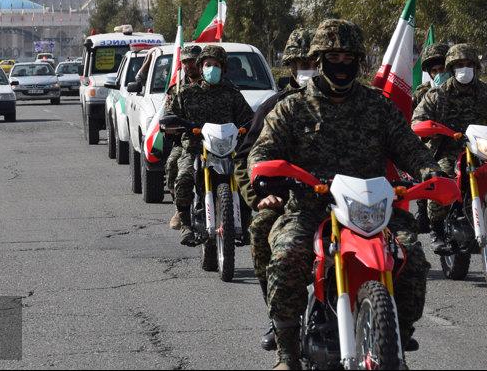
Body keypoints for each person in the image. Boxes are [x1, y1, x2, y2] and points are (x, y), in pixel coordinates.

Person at [249, 19, 439, 369]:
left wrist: (433, 173)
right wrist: (267, 178)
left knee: (411, 255)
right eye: (333, 56)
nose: (341, 64)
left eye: (349, 57)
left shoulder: (378, 106)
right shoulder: (292, 107)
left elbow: (410, 148)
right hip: (311, 207)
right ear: (319, 60)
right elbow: (262, 152)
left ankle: (395, 338)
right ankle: (286, 351)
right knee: (287, 255)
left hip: (373, 207)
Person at [233, 27, 315, 352]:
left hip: (345, 200)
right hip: (287, 200)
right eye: (304, 64)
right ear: (292, 66)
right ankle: (280, 318)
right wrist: (259, 197)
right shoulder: (275, 107)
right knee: (260, 230)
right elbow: (244, 158)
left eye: (316, 63)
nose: (310, 70)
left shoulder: (352, 103)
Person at [412, 43, 487, 251]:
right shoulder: (437, 94)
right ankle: (437, 230)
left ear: (475, 67)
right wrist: (428, 127)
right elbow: (418, 119)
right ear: (451, 68)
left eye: (468, 64)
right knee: (442, 180)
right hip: (450, 149)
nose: (464, 69)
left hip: (485, 148)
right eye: (459, 65)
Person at [168, 44, 254, 246]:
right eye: (208, 64)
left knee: (247, 179)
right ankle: (186, 224)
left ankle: (245, 223)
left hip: (228, 150)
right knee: (183, 178)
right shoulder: (186, 93)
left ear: (223, 68)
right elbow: (171, 116)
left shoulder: (232, 93)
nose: (212, 69)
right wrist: (174, 125)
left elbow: (248, 118)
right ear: (201, 67)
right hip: (195, 149)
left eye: (216, 65)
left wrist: (249, 126)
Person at [164, 44, 202, 230]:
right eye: (185, 62)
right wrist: (173, 127)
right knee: (172, 165)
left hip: (215, 140)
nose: (189, 65)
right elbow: (167, 116)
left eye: (193, 61)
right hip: (185, 140)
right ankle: (180, 208)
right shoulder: (176, 89)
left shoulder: (215, 87)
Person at [412, 42, 450, 108]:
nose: (438, 73)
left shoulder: (461, 87)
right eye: (434, 71)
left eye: (441, 69)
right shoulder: (421, 92)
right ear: (429, 73)